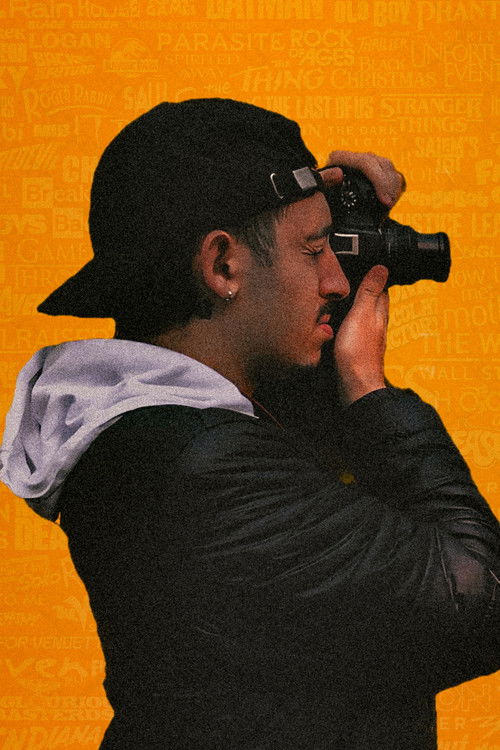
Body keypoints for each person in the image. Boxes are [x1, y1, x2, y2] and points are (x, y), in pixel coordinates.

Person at [0, 99, 498, 750]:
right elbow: (481, 602)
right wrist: (368, 389)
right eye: (314, 250)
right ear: (223, 266)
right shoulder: (208, 469)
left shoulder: (161, 433)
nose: (336, 281)